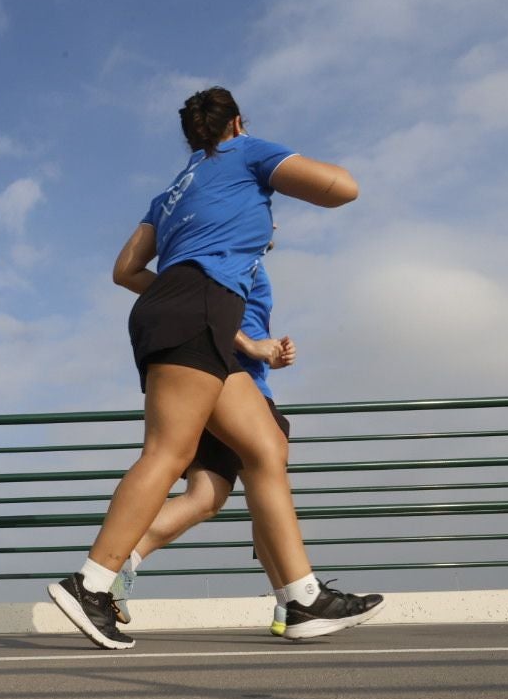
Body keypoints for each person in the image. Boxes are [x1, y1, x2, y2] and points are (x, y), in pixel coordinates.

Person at [48, 86, 382, 649]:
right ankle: (93, 582)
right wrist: (266, 158)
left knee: (264, 449)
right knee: (169, 452)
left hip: (181, 305)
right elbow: (343, 190)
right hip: (199, 303)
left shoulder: (173, 191)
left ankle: (300, 599)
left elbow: (126, 269)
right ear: (236, 122)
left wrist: (186, 298)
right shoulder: (247, 151)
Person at [110, 262, 383, 640]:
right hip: (235, 383)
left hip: (213, 376)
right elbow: (209, 309)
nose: (273, 223)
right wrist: (251, 346)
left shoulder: (232, 256)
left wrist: (268, 350)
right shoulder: (236, 254)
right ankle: (295, 599)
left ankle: (118, 565)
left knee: (205, 497)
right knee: (265, 474)